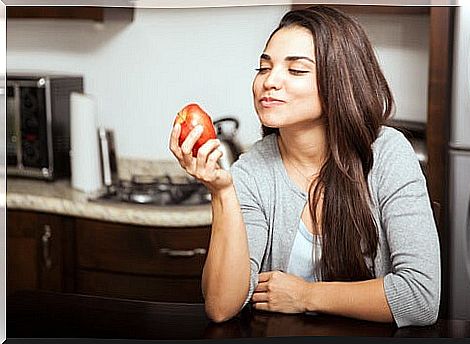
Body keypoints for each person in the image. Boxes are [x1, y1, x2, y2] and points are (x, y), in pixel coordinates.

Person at [169, 5, 441, 328]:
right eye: (263, 68)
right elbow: (222, 306)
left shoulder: (388, 153)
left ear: (339, 81)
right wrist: (222, 192)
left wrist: (305, 295)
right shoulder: (252, 171)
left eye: (296, 70)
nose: (270, 81)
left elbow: (420, 296)